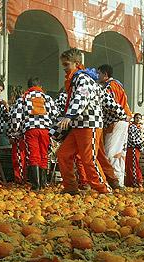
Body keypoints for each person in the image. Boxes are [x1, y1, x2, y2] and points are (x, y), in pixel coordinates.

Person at [55, 48, 126, 194]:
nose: (64, 68)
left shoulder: (83, 79)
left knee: (89, 159)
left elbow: (81, 98)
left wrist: (69, 116)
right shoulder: (81, 79)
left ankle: (104, 189)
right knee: (63, 154)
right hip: (78, 125)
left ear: (77, 63)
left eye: (67, 65)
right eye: (63, 65)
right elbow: (105, 98)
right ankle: (71, 187)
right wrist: (120, 112)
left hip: (89, 124)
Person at [9, 77, 58, 190]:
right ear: (40, 87)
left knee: (33, 155)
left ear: (28, 87)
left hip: (30, 129)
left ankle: (35, 185)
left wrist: (14, 131)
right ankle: (43, 183)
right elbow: (55, 115)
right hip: (46, 129)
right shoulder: (47, 97)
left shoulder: (23, 98)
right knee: (44, 155)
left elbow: (16, 117)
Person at [98, 64, 131, 188]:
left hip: (116, 122)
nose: (98, 76)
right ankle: (119, 181)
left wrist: (122, 115)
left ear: (105, 75)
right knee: (119, 152)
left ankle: (113, 182)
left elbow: (111, 104)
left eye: (99, 73)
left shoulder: (109, 87)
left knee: (110, 153)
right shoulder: (118, 85)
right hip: (122, 121)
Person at [125, 113, 144, 187]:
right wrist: (140, 145)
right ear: (134, 118)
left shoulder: (138, 127)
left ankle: (135, 181)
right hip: (133, 148)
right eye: (137, 117)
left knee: (135, 164)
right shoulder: (132, 127)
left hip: (136, 148)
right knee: (133, 165)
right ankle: (134, 182)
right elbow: (132, 139)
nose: (138, 119)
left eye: (139, 118)